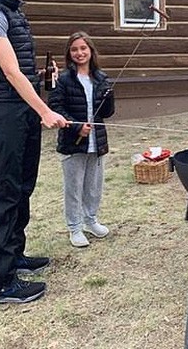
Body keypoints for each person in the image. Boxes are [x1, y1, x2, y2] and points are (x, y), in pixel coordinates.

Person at [0, 0, 68, 303]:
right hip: (5, 114)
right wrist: (45, 110)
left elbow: (19, 69)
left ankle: (14, 255)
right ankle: (1, 283)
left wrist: (41, 76)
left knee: (22, 185)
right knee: (3, 191)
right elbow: (10, 72)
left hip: (22, 110)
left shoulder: (14, 12)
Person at [48, 31, 115, 248]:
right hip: (73, 143)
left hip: (97, 142)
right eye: (74, 49)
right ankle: (75, 228)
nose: (80, 53)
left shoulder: (101, 77)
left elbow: (107, 112)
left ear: (91, 51)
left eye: (83, 48)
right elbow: (56, 108)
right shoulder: (64, 80)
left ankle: (90, 220)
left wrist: (108, 97)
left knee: (93, 186)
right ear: (69, 53)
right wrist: (77, 127)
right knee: (74, 188)